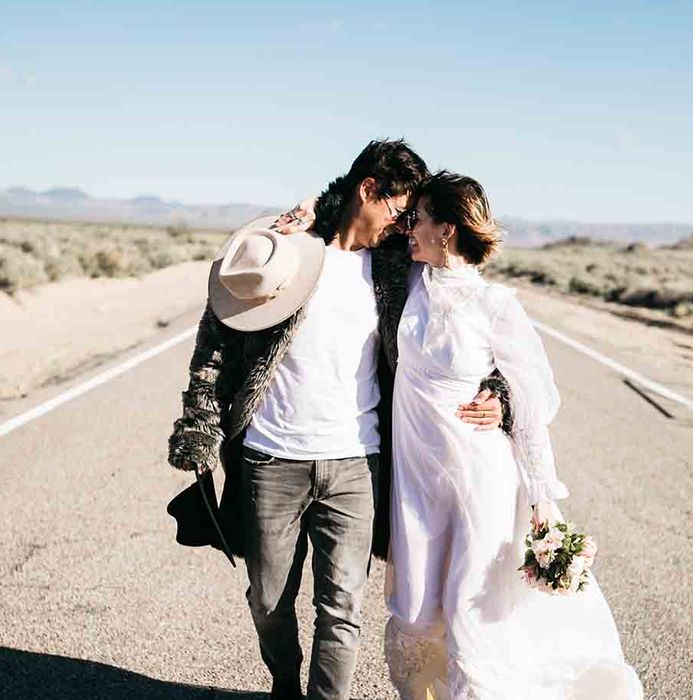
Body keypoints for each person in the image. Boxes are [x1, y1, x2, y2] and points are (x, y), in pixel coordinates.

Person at [167, 140, 510, 700]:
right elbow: (217, 343)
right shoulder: (285, 255)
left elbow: (467, 332)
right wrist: (199, 420)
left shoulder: (398, 273)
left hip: (356, 463)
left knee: (343, 608)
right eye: (398, 211)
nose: (403, 227)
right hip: (270, 459)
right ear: (368, 190)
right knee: (267, 600)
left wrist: (498, 394)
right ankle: (284, 683)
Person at [383, 172, 644, 699]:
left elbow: (536, 399)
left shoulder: (494, 305)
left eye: (419, 219)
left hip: (480, 482)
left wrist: (542, 493)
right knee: (414, 611)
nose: (408, 228)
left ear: (448, 229)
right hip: (416, 484)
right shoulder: (406, 282)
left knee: (470, 619)